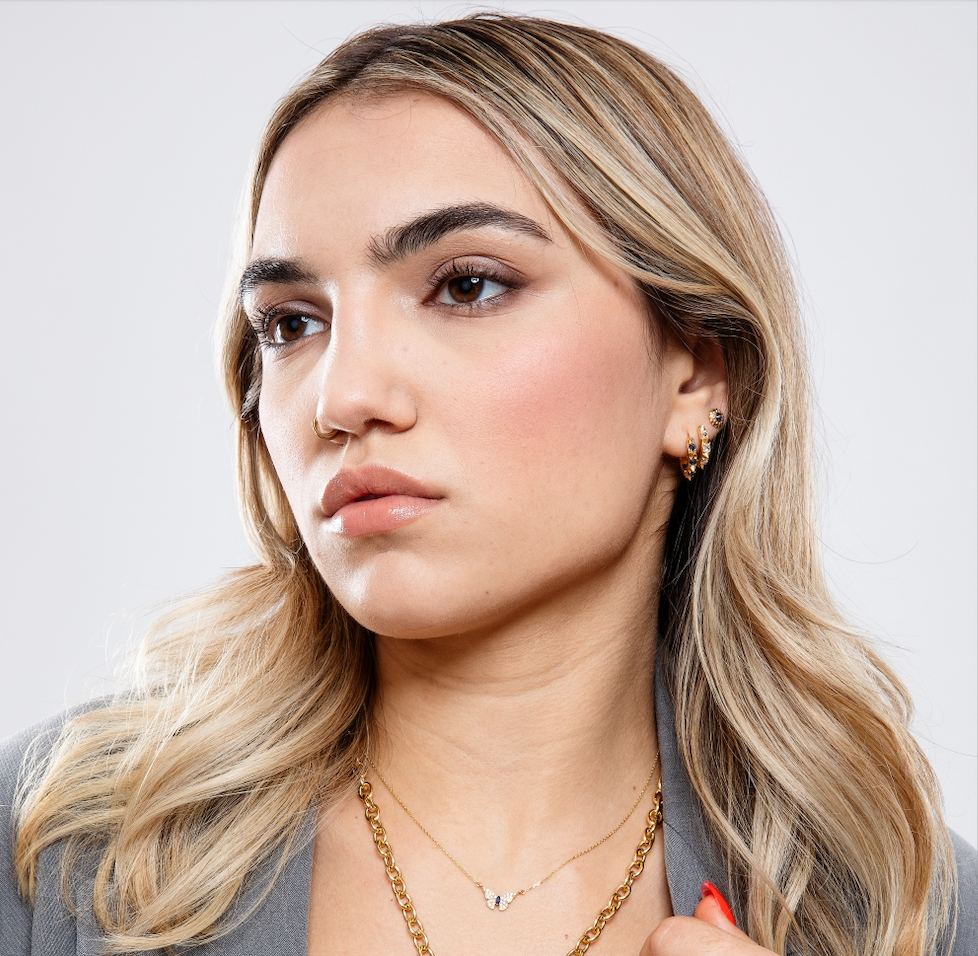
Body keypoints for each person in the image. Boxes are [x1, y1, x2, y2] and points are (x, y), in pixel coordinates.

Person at [1, 14, 974, 956]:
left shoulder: (905, 912)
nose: (343, 395)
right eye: (292, 322)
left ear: (695, 372)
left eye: (467, 285)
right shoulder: (50, 853)